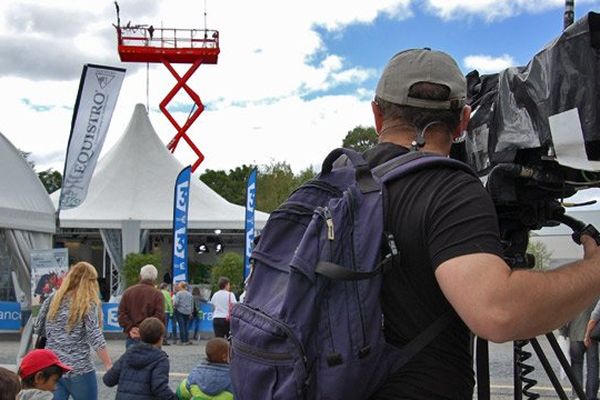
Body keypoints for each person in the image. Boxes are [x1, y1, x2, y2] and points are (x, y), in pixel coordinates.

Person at [357, 48, 600, 399]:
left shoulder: (340, 181)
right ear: (463, 121)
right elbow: (499, 312)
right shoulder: (450, 188)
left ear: (377, 115)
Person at [35, 262, 111, 400]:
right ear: (90, 282)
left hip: (54, 367)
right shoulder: (87, 302)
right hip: (80, 368)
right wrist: (108, 363)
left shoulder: (52, 298)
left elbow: (39, 326)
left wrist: (56, 338)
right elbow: (94, 334)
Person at [103, 317, 176, 399]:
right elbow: (159, 388)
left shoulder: (129, 353)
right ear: (160, 338)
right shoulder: (160, 359)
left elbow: (108, 380)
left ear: (140, 335)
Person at [118, 264, 165, 348]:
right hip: (151, 338)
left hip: (132, 335)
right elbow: (159, 316)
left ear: (140, 276)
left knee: (132, 360)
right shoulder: (158, 294)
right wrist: (145, 330)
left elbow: (121, 313)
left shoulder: (128, 292)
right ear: (155, 278)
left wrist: (131, 328)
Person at [563, 304, 599, 399]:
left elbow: (565, 311)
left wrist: (563, 332)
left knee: (576, 364)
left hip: (575, 333)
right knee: (593, 366)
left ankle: (577, 395)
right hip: (592, 334)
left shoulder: (576, 293)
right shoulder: (595, 291)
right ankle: (591, 396)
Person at [173, 281, 194, 345]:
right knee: (186, 326)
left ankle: (183, 340)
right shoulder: (190, 294)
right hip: (188, 312)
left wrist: (174, 305)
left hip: (180, 311)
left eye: (179, 286)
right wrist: (191, 312)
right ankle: (187, 339)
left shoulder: (179, 294)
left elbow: (176, 303)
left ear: (181, 286)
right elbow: (192, 304)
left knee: (181, 326)